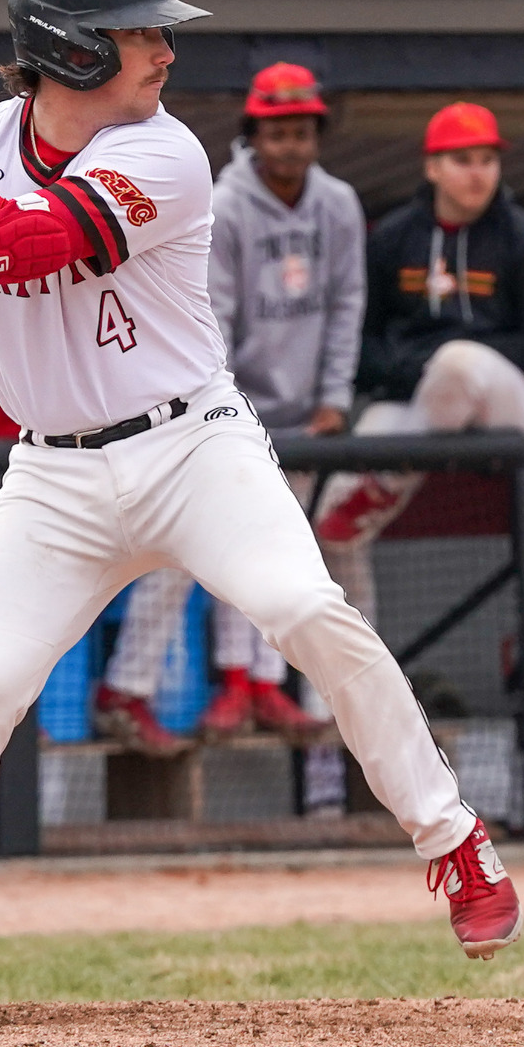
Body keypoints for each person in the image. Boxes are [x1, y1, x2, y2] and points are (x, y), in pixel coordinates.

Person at [0, 0, 521, 1026]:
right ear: (69, 50)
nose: (163, 53)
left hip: (192, 446)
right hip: (51, 477)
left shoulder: (169, 153)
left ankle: (450, 835)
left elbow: (15, 247)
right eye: (138, 34)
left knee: (303, 605)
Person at [94, 62, 363, 762]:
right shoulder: (227, 201)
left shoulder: (338, 203)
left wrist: (335, 398)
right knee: (190, 550)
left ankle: (261, 682)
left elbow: (345, 307)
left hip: (306, 413)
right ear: (254, 132)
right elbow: (212, 315)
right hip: (216, 405)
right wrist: (229, 407)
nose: (291, 143)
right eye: (277, 130)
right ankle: (148, 687)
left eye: (302, 130)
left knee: (283, 556)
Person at [317, 100, 524, 547]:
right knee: (337, 495)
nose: (478, 173)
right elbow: (363, 340)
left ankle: (388, 484)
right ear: (432, 168)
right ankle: (349, 540)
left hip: (507, 402)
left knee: (458, 362)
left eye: (488, 160)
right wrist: (409, 369)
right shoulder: (395, 237)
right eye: (463, 160)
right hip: (418, 397)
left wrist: (452, 355)